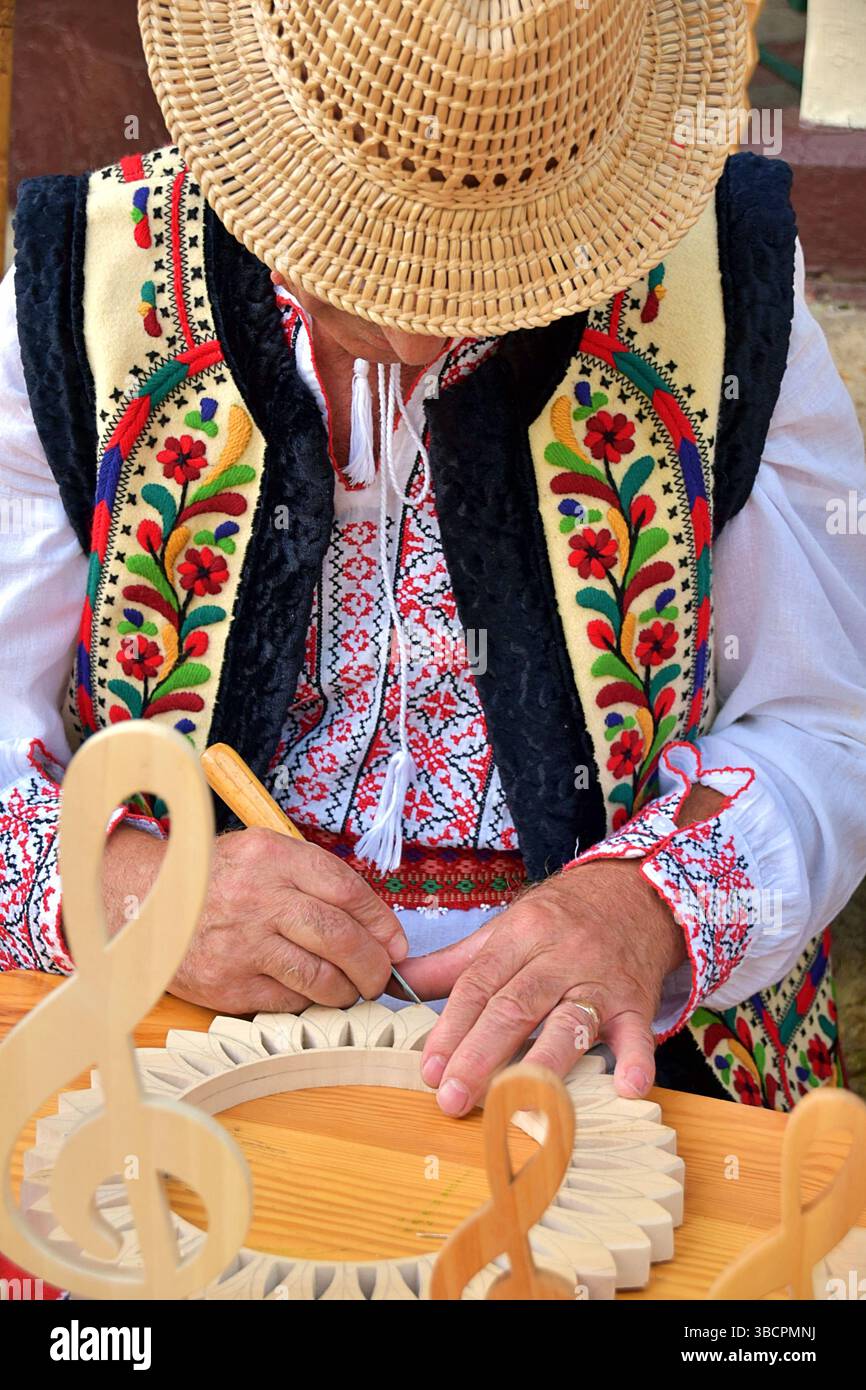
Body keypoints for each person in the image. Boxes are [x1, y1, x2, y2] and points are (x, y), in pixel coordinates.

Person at [1, 0, 864, 1115]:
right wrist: (132, 892)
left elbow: (829, 726)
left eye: (487, 264)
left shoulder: (725, 284)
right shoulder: (80, 292)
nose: (412, 336)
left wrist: (643, 908)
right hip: (170, 1038)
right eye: (355, 249)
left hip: (606, 1069)